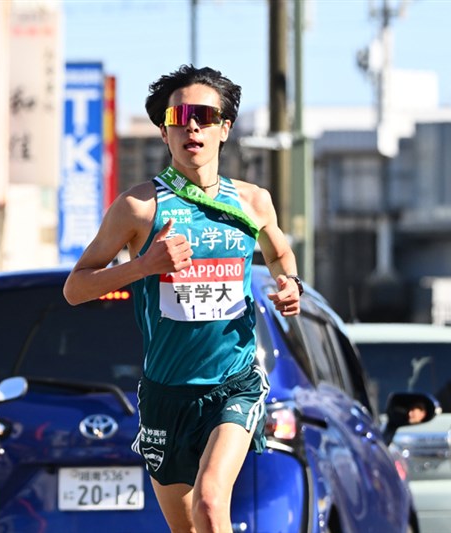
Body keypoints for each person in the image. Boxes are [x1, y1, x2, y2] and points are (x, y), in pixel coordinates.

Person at [63, 64, 302, 533]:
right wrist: (143, 266)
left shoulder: (252, 201)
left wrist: (289, 282)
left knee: (211, 503)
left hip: (234, 382)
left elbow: (280, 253)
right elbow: (76, 288)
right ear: (164, 132)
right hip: (166, 391)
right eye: (179, 117)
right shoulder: (139, 207)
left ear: (224, 129)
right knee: (187, 526)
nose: (192, 125)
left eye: (205, 116)